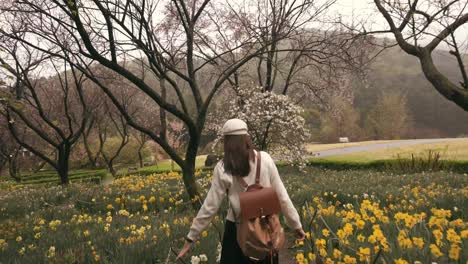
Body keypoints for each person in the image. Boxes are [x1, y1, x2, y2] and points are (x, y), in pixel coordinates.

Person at [177, 119, 305, 263]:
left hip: (236, 232)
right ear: (246, 138)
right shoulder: (265, 159)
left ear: (226, 142)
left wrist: (191, 238)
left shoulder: (223, 168)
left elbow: (210, 207)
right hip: (266, 227)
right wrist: (296, 225)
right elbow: (282, 197)